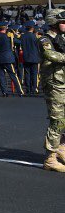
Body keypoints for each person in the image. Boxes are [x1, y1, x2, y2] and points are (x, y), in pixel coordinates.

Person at [38, 9, 65, 173]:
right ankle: (50, 158)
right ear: (54, 23)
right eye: (63, 21)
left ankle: (61, 148)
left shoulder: (62, 38)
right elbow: (50, 55)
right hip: (55, 85)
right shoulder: (45, 39)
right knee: (57, 121)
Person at [0, 21, 21, 97]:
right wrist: (15, 35)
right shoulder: (8, 36)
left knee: (1, 76)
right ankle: (19, 91)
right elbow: (18, 42)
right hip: (8, 58)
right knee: (13, 75)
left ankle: (4, 92)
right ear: (5, 28)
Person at [21, 21, 42, 96]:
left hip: (26, 56)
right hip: (34, 57)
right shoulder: (34, 36)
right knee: (34, 73)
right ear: (32, 28)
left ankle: (28, 89)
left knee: (27, 73)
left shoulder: (23, 36)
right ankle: (34, 88)